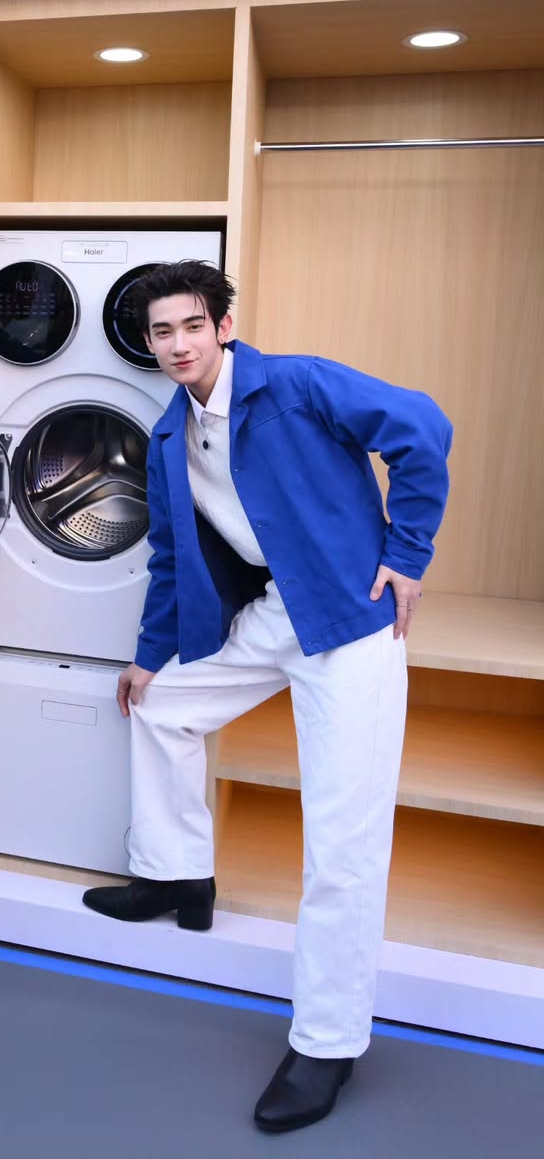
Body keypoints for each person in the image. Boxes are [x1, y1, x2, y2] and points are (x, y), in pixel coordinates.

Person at [82, 260, 452, 1134]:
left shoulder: (296, 385)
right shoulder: (169, 435)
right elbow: (170, 558)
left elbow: (422, 427)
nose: (178, 344)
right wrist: (148, 658)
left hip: (351, 624)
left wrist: (408, 554)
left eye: (191, 326)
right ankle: (177, 875)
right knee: (160, 706)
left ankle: (328, 1042)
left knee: (342, 839)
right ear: (148, 343)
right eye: (161, 332)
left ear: (223, 325)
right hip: (279, 613)